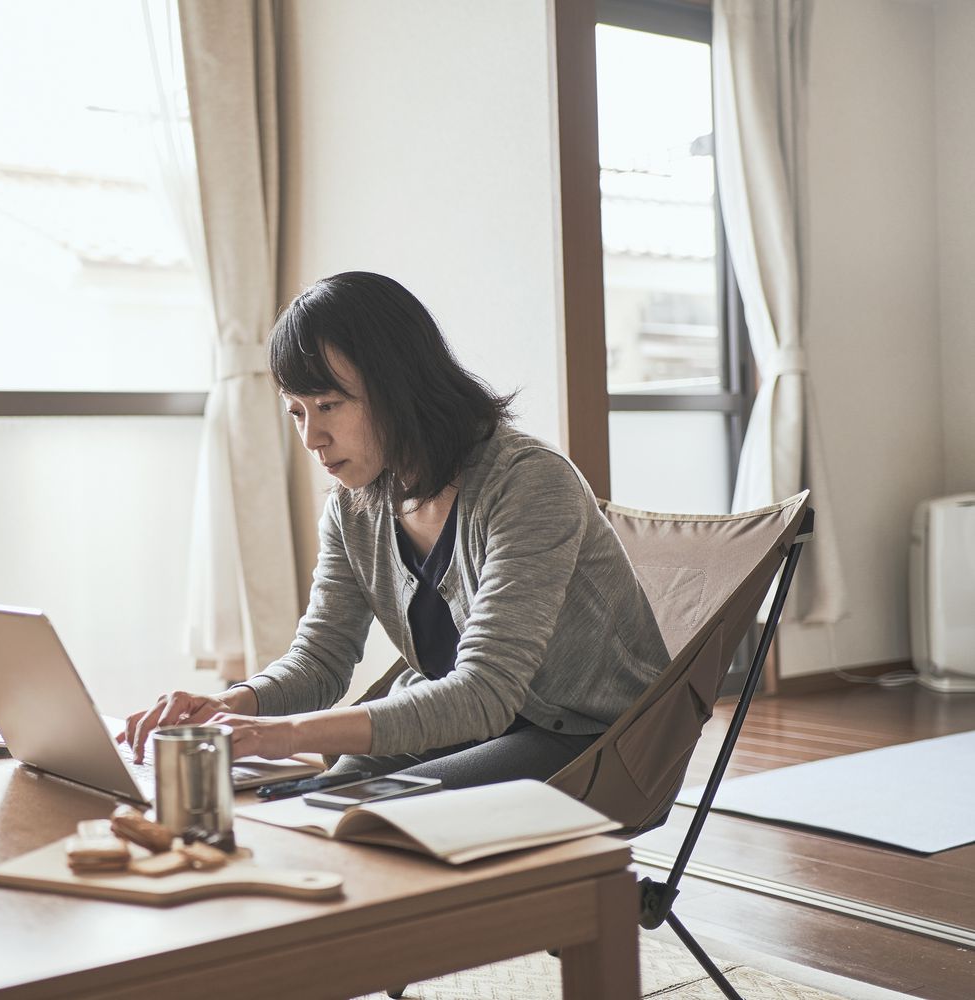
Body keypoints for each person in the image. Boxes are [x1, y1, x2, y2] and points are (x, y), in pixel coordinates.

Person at [123, 271, 669, 790]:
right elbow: (321, 659)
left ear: (397, 387)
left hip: (596, 739)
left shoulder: (529, 484)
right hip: (465, 726)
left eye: (329, 406)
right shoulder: (353, 509)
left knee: (369, 813)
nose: (312, 437)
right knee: (328, 796)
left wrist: (283, 734)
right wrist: (232, 704)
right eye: (296, 412)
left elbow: (485, 692)